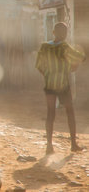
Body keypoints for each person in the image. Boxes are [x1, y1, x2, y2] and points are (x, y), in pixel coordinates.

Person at [35, 22, 86, 154]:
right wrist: (80, 50)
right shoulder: (65, 47)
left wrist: (48, 75)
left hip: (49, 85)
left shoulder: (44, 47)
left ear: (53, 33)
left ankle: (49, 146)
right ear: (65, 34)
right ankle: (73, 144)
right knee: (70, 112)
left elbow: (39, 66)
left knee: (50, 113)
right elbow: (81, 58)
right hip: (63, 85)